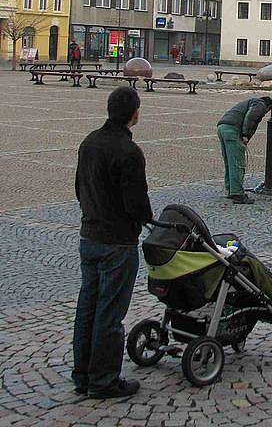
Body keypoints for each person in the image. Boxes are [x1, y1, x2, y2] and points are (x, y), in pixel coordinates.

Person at [72, 86, 153, 399]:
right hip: (117, 242)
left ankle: (82, 375)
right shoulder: (128, 152)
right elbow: (136, 202)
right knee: (109, 313)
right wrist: (143, 220)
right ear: (135, 114)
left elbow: (79, 186)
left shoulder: (89, 142)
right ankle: (104, 379)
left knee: (87, 309)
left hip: (89, 235)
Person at [217, 96, 272, 204]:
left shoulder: (250, 102)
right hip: (232, 130)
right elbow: (251, 117)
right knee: (237, 163)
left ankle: (230, 190)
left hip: (222, 127)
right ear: (269, 106)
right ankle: (237, 194)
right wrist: (245, 135)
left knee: (229, 162)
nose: (266, 113)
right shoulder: (260, 104)